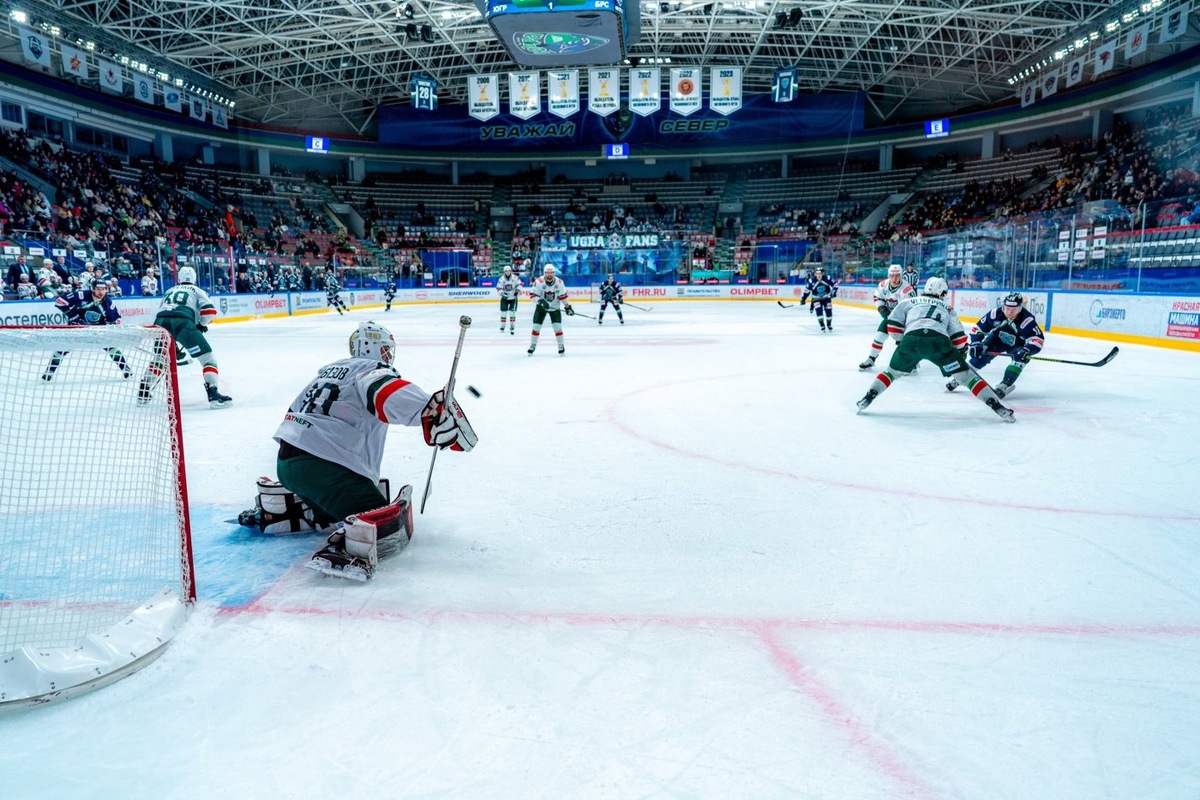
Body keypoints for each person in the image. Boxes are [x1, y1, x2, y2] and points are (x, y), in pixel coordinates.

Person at [256, 321, 477, 580]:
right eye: (384, 349)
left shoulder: (329, 372)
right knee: (381, 521)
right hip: (326, 468)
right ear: (369, 347)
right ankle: (343, 547)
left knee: (331, 498)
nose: (388, 356)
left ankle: (304, 510)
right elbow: (383, 392)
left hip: (286, 464)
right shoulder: (371, 370)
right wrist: (428, 411)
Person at [856, 277, 1015, 423]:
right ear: (942, 292)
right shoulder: (948, 308)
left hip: (911, 341)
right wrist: (960, 353)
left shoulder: (908, 302)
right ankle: (996, 405)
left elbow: (893, 326)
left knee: (890, 373)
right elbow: (959, 340)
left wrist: (904, 339)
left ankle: (868, 397)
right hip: (939, 344)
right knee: (967, 378)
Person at [137, 266, 232, 409]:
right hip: (183, 323)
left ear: (179, 278)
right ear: (194, 278)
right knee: (208, 359)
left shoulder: (170, 290)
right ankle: (213, 394)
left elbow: (164, 311)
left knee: (160, 359)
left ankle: (143, 392)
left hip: (160, 322)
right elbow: (210, 311)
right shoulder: (198, 291)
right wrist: (201, 325)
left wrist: (173, 342)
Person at [946, 292, 1045, 398]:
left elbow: (1037, 339)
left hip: (1017, 345)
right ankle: (960, 378)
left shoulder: (1027, 320)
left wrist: (1027, 350)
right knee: (979, 356)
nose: (1009, 312)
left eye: (1013, 310)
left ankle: (1004, 385)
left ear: (1020, 308)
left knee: (1020, 359)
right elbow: (978, 329)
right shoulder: (995, 314)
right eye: (1007, 308)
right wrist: (976, 342)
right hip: (996, 340)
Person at [43, 278, 132, 381]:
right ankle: (49, 371)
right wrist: (73, 316)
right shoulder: (81, 295)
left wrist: (112, 325)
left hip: (97, 330)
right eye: (98, 289)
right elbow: (60, 302)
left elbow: (115, 318)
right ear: (93, 289)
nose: (101, 292)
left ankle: (126, 369)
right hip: (76, 328)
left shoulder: (108, 302)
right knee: (63, 348)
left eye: (103, 289)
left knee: (110, 346)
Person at [859, 264, 914, 370]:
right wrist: (882, 309)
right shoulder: (883, 285)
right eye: (892, 276)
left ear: (901, 276)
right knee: (879, 336)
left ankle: (912, 362)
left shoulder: (907, 289)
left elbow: (911, 308)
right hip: (890, 316)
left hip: (904, 319)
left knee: (904, 341)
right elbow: (877, 297)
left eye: (897, 276)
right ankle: (871, 359)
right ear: (889, 275)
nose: (894, 278)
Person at [527, 264, 574, 356]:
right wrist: (540, 301)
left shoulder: (559, 282)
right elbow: (533, 296)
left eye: (551, 273)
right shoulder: (539, 281)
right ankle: (532, 345)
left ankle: (561, 345)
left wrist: (567, 306)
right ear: (544, 273)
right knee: (536, 327)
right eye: (547, 273)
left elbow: (563, 296)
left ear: (554, 273)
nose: (549, 274)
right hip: (541, 307)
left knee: (558, 327)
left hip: (555, 307)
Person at [801, 266, 838, 331]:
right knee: (819, 311)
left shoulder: (827, 278)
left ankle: (829, 324)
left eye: (820, 273)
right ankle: (822, 325)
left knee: (829, 311)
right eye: (817, 273)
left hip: (826, 298)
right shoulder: (811, 281)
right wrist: (803, 299)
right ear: (815, 274)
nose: (818, 275)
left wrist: (834, 292)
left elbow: (835, 284)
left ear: (822, 273)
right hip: (816, 299)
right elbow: (807, 290)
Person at [496, 265, 522, 334]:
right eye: (506, 271)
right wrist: (502, 293)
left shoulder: (515, 278)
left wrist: (517, 291)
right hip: (504, 298)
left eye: (509, 271)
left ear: (511, 271)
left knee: (512, 313)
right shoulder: (501, 279)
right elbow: (498, 288)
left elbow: (520, 284)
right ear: (504, 272)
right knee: (503, 313)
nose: (507, 272)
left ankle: (512, 326)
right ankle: (502, 326)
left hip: (513, 298)